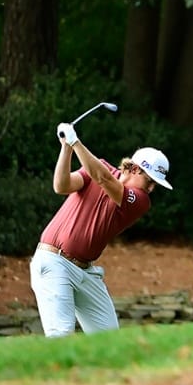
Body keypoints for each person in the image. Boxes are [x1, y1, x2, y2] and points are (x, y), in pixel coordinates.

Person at [30, 120, 173, 337]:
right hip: (54, 262)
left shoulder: (140, 200)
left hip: (85, 271)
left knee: (109, 338)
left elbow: (103, 179)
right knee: (60, 335)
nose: (152, 188)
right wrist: (66, 148)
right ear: (134, 168)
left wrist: (75, 141)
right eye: (150, 180)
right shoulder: (100, 167)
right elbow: (62, 185)